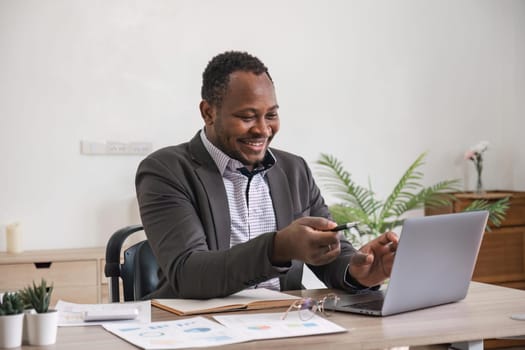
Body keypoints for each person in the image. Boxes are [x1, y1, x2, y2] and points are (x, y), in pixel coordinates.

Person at [135, 51, 398, 299]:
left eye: (271, 115)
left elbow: (328, 255)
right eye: (247, 117)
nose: (263, 130)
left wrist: (357, 272)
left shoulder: (295, 170)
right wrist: (278, 248)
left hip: (284, 322)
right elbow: (189, 274)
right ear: (208, 113)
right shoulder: (166, 170)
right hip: (198, 327)